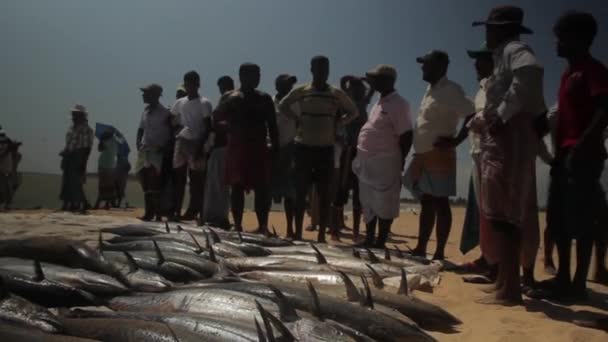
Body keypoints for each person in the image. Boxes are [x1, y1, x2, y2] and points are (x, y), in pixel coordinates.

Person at [470, 5, 546, 305]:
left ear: (500, 28)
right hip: (499, 139)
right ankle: (503, 280)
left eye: (489, 28)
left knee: (505, 215)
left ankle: (510, 289)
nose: (486, 34)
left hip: (509, 138)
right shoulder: (503, 55)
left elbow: (530, 75)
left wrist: (501, 116)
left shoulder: (515, 49)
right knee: (497, 212)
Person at [537, 11, 608, 300]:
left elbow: (605, 108)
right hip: (563, 156)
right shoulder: (568, 74)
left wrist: (582, 145)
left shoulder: (593, 70)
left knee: (582, 219)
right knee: (558, 219)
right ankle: (563, 279)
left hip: (582, 157)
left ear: (577, 39)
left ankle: (578, 283)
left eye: (560, 37)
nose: (555, 42)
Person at [403, 50, 475, 260]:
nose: (422, 68)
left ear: (440, 67)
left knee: (441, 202)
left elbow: (472, 113)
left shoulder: (451, 89)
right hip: (423, 153)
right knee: (426, 201)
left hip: (440, 153)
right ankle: (421, 247)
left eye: (426, 64)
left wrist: (456, 140)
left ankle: (439, 252)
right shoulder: (430, 89)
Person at [279, 56, 359, 242]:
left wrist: (339, 122)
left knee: (325, 194)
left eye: (326, 68)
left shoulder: (335, 93)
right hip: (303, 148)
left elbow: (353, 112)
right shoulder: (302, 91)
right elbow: (283, 105)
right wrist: (296, 118)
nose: (322, 72)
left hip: (325, 149)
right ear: (312, 69)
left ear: (329, 70)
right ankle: (298, 234)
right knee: (300, 194)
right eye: (318, 68)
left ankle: (322, 235)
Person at [214, 63, 279, 234]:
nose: (257, 78)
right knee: (236, 187)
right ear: (242, 76)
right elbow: (216, 119)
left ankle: (263, 225)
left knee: (262, 188)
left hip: (259, 147)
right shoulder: (229, 97)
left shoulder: (264, 98)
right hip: (237, 148)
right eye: (253, 74)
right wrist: (230, 126)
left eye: (259, 74)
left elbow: (272, 126)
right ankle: (237, 225)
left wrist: (276, 149)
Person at [352, 65, 413, 248]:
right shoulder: (378, 102)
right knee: (368, 201)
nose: (372, 82)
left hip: (386, 161)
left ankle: (380, 241)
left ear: (388, 80)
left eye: (376, 78)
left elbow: (406, 135)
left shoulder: (399, 103)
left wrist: (401, 160)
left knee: (385, 201)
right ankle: (369, 238)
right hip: (366, 162)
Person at [336, 75, 374, 240]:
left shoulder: (364, 102)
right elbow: (342, 81)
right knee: (341, 190)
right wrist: (355, 79)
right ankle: (336, 230)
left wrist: (363, 80)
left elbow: (372, 87)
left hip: (361, 151)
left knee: (359, 191)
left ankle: (356, 231)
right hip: (347, 150)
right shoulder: (347, 103)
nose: (357, 91)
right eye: (354, 88)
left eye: (359, 89)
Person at [171, 71, 213, 222]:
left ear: (198, 84)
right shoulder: (180, 102)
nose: (190, 86)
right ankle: (176, 212)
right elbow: (171, 118)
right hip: (182, 141)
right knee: (179, 179)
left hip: (198, 141)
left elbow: (208, 127)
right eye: (187, 83)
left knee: (197, 182)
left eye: (193, 83)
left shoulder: (204, 103)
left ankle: (200, 214)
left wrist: (200, 148)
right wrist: (177, 130)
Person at [201, 76, 234, 229]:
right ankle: (218, 215)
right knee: (221, 185)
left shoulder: (228, 99)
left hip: (223, 147)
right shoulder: (232, 99)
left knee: (218, 184)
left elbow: (222, 123)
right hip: (225, 147)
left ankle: (217, 216)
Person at [135, 84, 172, 221]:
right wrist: (138, 143)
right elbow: (140, 129)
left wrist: (164, 147)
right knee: (145, 181)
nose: (143, 95)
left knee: (155, 183)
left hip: (157, 151)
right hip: (145, 151)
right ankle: (148, 213)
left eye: (146, 93)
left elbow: (172, 133)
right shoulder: (145, 112)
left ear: (155, 95)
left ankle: (157, 214)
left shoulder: (165, 113)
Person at [271, 74, 299, 238]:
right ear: (278, 86)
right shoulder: (270, 101)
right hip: (273, 150)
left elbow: (300, 122)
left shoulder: (295, 103)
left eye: (291, 85)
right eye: (287, 85)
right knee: (268, 191)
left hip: (290, 149)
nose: (290, 88)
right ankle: (264, 226)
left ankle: (290, 229)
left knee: (290, 194)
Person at [60, 105, 94, 213]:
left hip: (78, 155)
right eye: (73, 114)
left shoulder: (86, 128)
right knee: (67, 181)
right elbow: (69, 143)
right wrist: (65, 153)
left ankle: (80, 203)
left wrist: (83, 162)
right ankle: (70, 203)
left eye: (76, 114)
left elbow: (87, 147)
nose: (73, 116)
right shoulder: (71, 128)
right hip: (69, 155)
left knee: (75, 181)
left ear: (82, 115)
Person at [94, 128, 118, 210]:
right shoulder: (116, 141)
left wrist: (101, 140)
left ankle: (97, 204)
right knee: (109, 186)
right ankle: (107, 204)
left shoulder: (105, 141)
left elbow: (99, 149)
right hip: (112, 165)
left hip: (103, 164)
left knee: (102, 185)